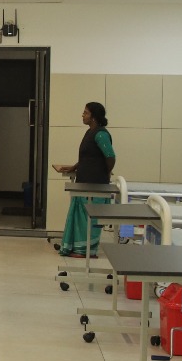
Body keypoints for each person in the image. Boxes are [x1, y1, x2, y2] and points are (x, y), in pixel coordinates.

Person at [53, 101, 116, 257]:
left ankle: (86, 251)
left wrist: (106, 172)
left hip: (94, 185)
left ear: (94, 117)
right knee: (80, 216)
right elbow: (88, 157)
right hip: (85, 181)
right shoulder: (90, 132)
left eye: (86, 113)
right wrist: (74, 167)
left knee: (89, 218)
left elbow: (110, 157)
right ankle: (75, 247)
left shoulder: (101, 134)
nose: (82, 115)